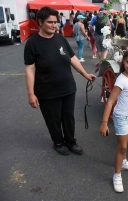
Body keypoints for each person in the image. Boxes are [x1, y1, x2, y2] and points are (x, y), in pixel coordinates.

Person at [24, 6, 96, 155]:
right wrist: (31, 93)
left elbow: (72, 58)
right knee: (53, 119)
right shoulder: (32, 43)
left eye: (55, 22)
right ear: (40, 22)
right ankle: (58, 142)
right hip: (47, 91)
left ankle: (71, 141)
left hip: (68, 87)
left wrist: (85, 74)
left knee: (68, 117)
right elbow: (30, 69)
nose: (54, 25)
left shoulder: (60, 38)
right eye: (50, 22)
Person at [99, 48, 128, 193]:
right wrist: (104, 123)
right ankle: (117, 175)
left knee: (125, 144)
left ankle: (123, 162)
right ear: (123, 62)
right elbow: (111, 101)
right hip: (122, 116)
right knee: (122, 146)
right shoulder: (121, 80)